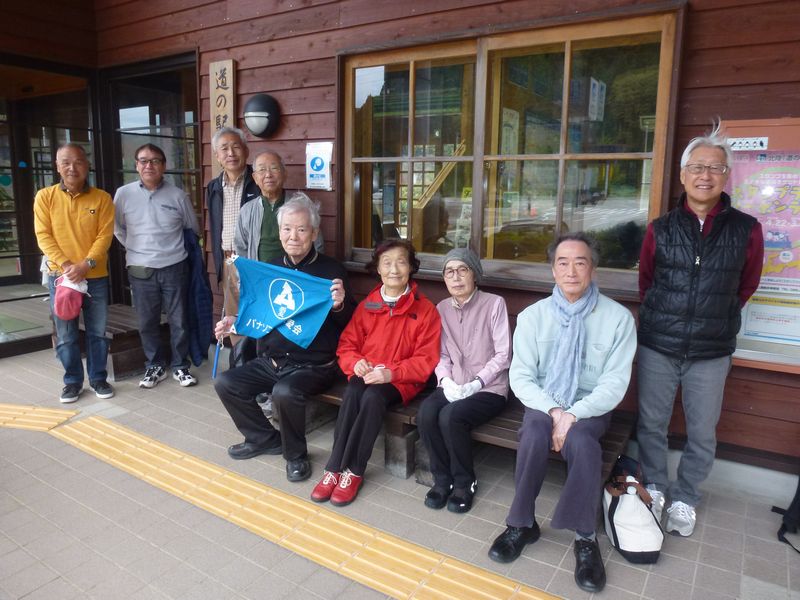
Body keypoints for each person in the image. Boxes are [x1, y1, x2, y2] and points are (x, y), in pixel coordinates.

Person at [488, 233, 636, 594]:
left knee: (584, 443)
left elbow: (614, 384)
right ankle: (521, 524)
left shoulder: (618, 319)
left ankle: (585, 537)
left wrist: (574, 414)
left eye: (580, 262)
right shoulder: (533, 316)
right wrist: (555, 410)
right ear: (553, 270)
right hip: (544, 401)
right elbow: (521, 376)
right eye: (563, 263)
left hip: (590, 406)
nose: (572, 271)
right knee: (534, 432)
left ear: (593, 269)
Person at [636, 124, 764, 537]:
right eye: (697, 167)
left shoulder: (747, 229)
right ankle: (655, 489)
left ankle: (686, 497)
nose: (705, 175)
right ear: (682, 174)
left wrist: (715, 315)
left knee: (702, 431)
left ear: (726, 175)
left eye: (715, 168)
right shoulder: (660, 228)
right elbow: (647, 281)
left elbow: (746, 285)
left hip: (711, 350)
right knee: (651, 424)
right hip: (658, 344)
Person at [214, 194, 355, 482]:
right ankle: (264, 439)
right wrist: (234, 323)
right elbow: (260, 312)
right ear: (279, 233)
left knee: (284, 392)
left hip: (314, 365)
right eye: (287, 229)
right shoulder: (271, 266)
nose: (294, 236)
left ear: (314, 234)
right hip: (273, 360)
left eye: (301, 229)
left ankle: (295, 456)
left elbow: (349, 323)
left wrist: (339, 305)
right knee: (226, 383)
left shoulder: (331, 271)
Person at [310, 239, 441, 507]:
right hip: (368, 373)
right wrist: (355, 363)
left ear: (411, 267)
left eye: (401, 262)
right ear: (378, 269)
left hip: (401, 380)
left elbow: (426, 360)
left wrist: (391, 374)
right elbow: (347, 345)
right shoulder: (368, 305)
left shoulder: (425, 309)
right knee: (354, 391)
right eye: (387, 263)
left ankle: (354, 471)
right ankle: (334, 468)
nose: (394, 269)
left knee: (372, 398)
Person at [417, 248, 510, 513]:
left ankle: (464, 482)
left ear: (475, 274)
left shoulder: (494, 304)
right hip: (455, 383)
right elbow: (442, 354)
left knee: (451, 417)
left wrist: (477, 382)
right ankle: (442, 479)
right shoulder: (442, 308)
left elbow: (503, 354)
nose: (456, 277)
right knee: (426, 413)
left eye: (462, 270)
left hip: (489, 388)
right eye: (449, 272)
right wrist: (445, 381)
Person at [114, 143, 201, 389]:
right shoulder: (123, 194)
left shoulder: (178, 195)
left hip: (174, 266)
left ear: (164, 166)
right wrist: (136, 248)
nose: (149, 165)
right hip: (140, 269)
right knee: (147, 321)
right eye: (143, 160)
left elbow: (191, 228)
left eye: (155, 161)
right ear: (136, 165)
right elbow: (117, 228)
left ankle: (180, 366)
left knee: (179, 320)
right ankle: (155, 365)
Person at [33, 143, 115, 403]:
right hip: (61, 278)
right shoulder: (45, 197)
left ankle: (99, 378)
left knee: (97, 332)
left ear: (86, 165)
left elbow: (104, 236)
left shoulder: (102, 198)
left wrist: (85, 265)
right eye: (66, 162)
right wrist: (68, 265)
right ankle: (72, 382)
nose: (72, 167)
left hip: (95, 276)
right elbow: (43, 235)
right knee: (66, 334)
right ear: (57, 167)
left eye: (78, 161)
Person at [205, 126, 259, 311]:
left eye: (236, 147)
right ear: (217, 156)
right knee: (233, 314)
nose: (231, 153)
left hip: (255, 260)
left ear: (246, 151)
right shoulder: (213, 187)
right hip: (228, 260)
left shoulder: (258, 182)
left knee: (257, 311)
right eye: (224, 148)